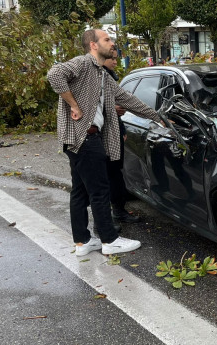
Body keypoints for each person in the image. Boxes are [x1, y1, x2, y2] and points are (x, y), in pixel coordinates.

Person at [47, 29, 164, 257]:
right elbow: (54, 75)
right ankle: (109, 240)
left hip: (80, 140)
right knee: (100, 190)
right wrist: (73, 105)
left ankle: (83, 241)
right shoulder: (82, 63)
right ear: (93, 45)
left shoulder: (101, 75)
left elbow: (127, 99)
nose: (112, 43)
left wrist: (157, 116)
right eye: (107, 40)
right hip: (85, 137)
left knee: (80, 192)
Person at [102, 55, 140, 225]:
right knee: (106, 176)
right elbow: (88, 107)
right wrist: (111, 109)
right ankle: (105, 219)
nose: (115, 62)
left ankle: (118, 211)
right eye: (111, 58)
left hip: (114, 131)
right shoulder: (95, 77)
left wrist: (122, 128)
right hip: (100, 134)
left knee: (115, 173)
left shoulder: (109, 77)